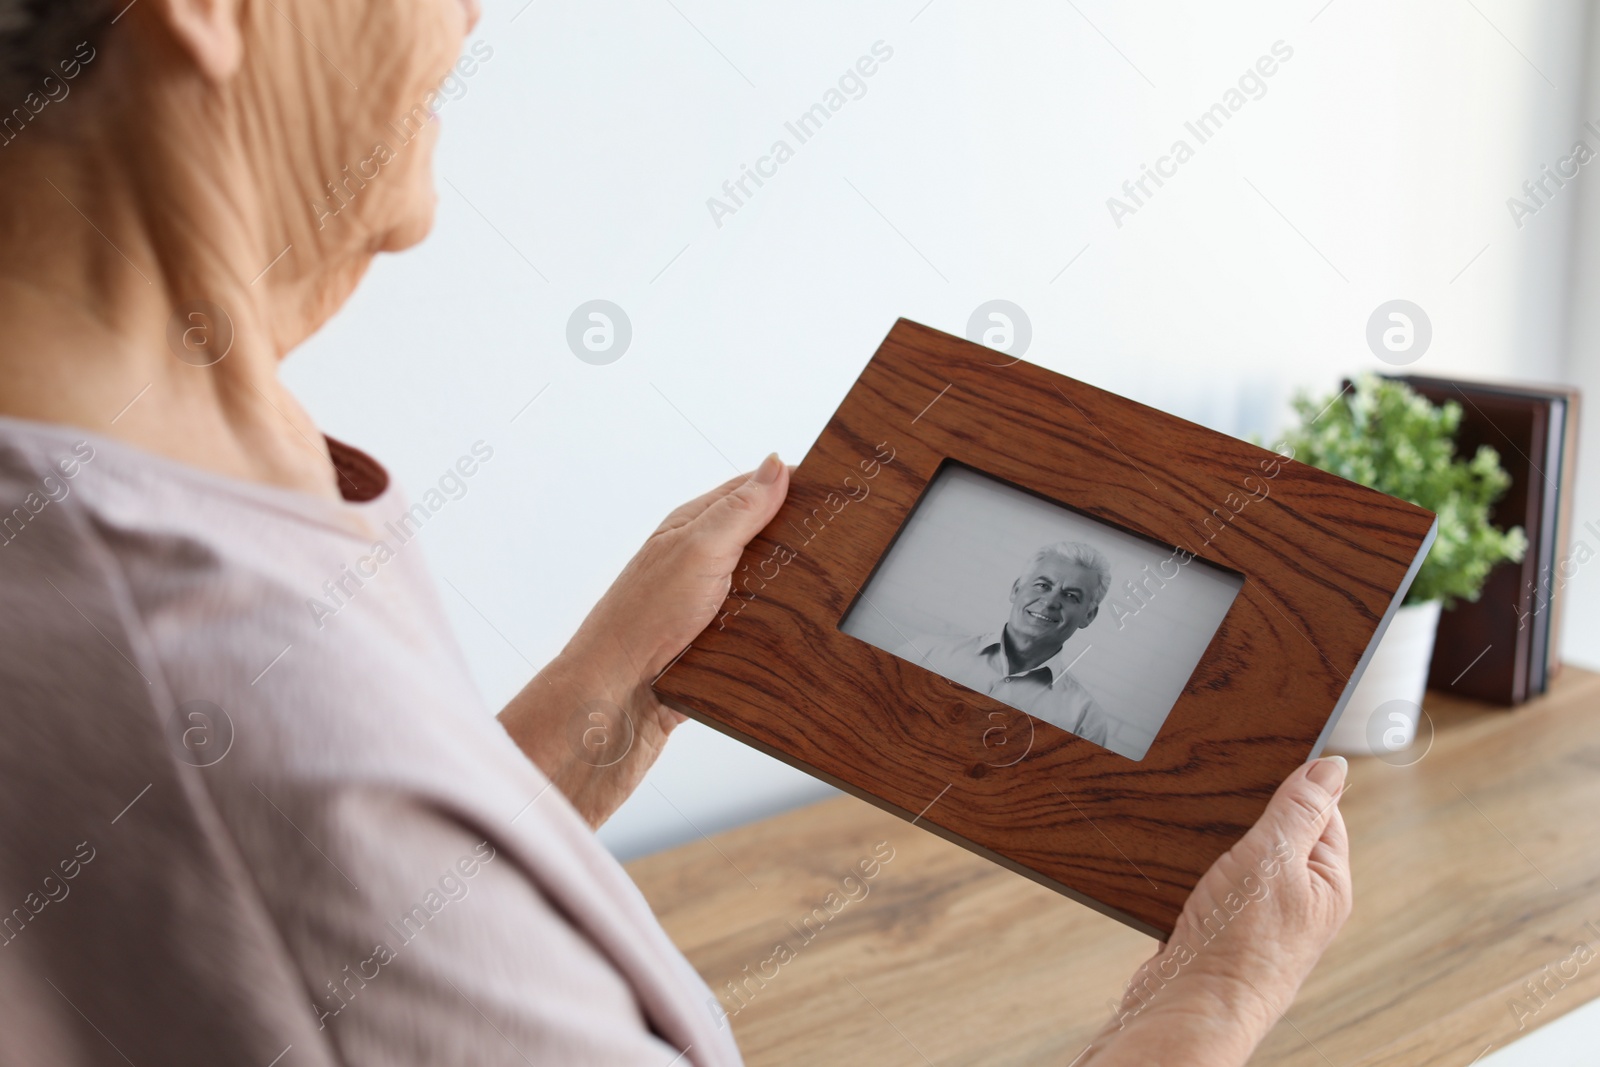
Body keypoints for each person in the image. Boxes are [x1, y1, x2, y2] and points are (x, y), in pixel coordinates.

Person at [0, 3, 1352, 1064]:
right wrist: (1201, 1007)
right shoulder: (233, 707)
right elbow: (301, 864)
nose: (471, 15)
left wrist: (607, 704)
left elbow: (321, 946)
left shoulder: (129, 483)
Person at [914, 540, 1117, 746]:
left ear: (1088, 615)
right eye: (1043, 586)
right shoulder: (926, 652)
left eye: (1070, 596)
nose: (1049, 602)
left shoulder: (1085, 720)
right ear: (1016, 589)